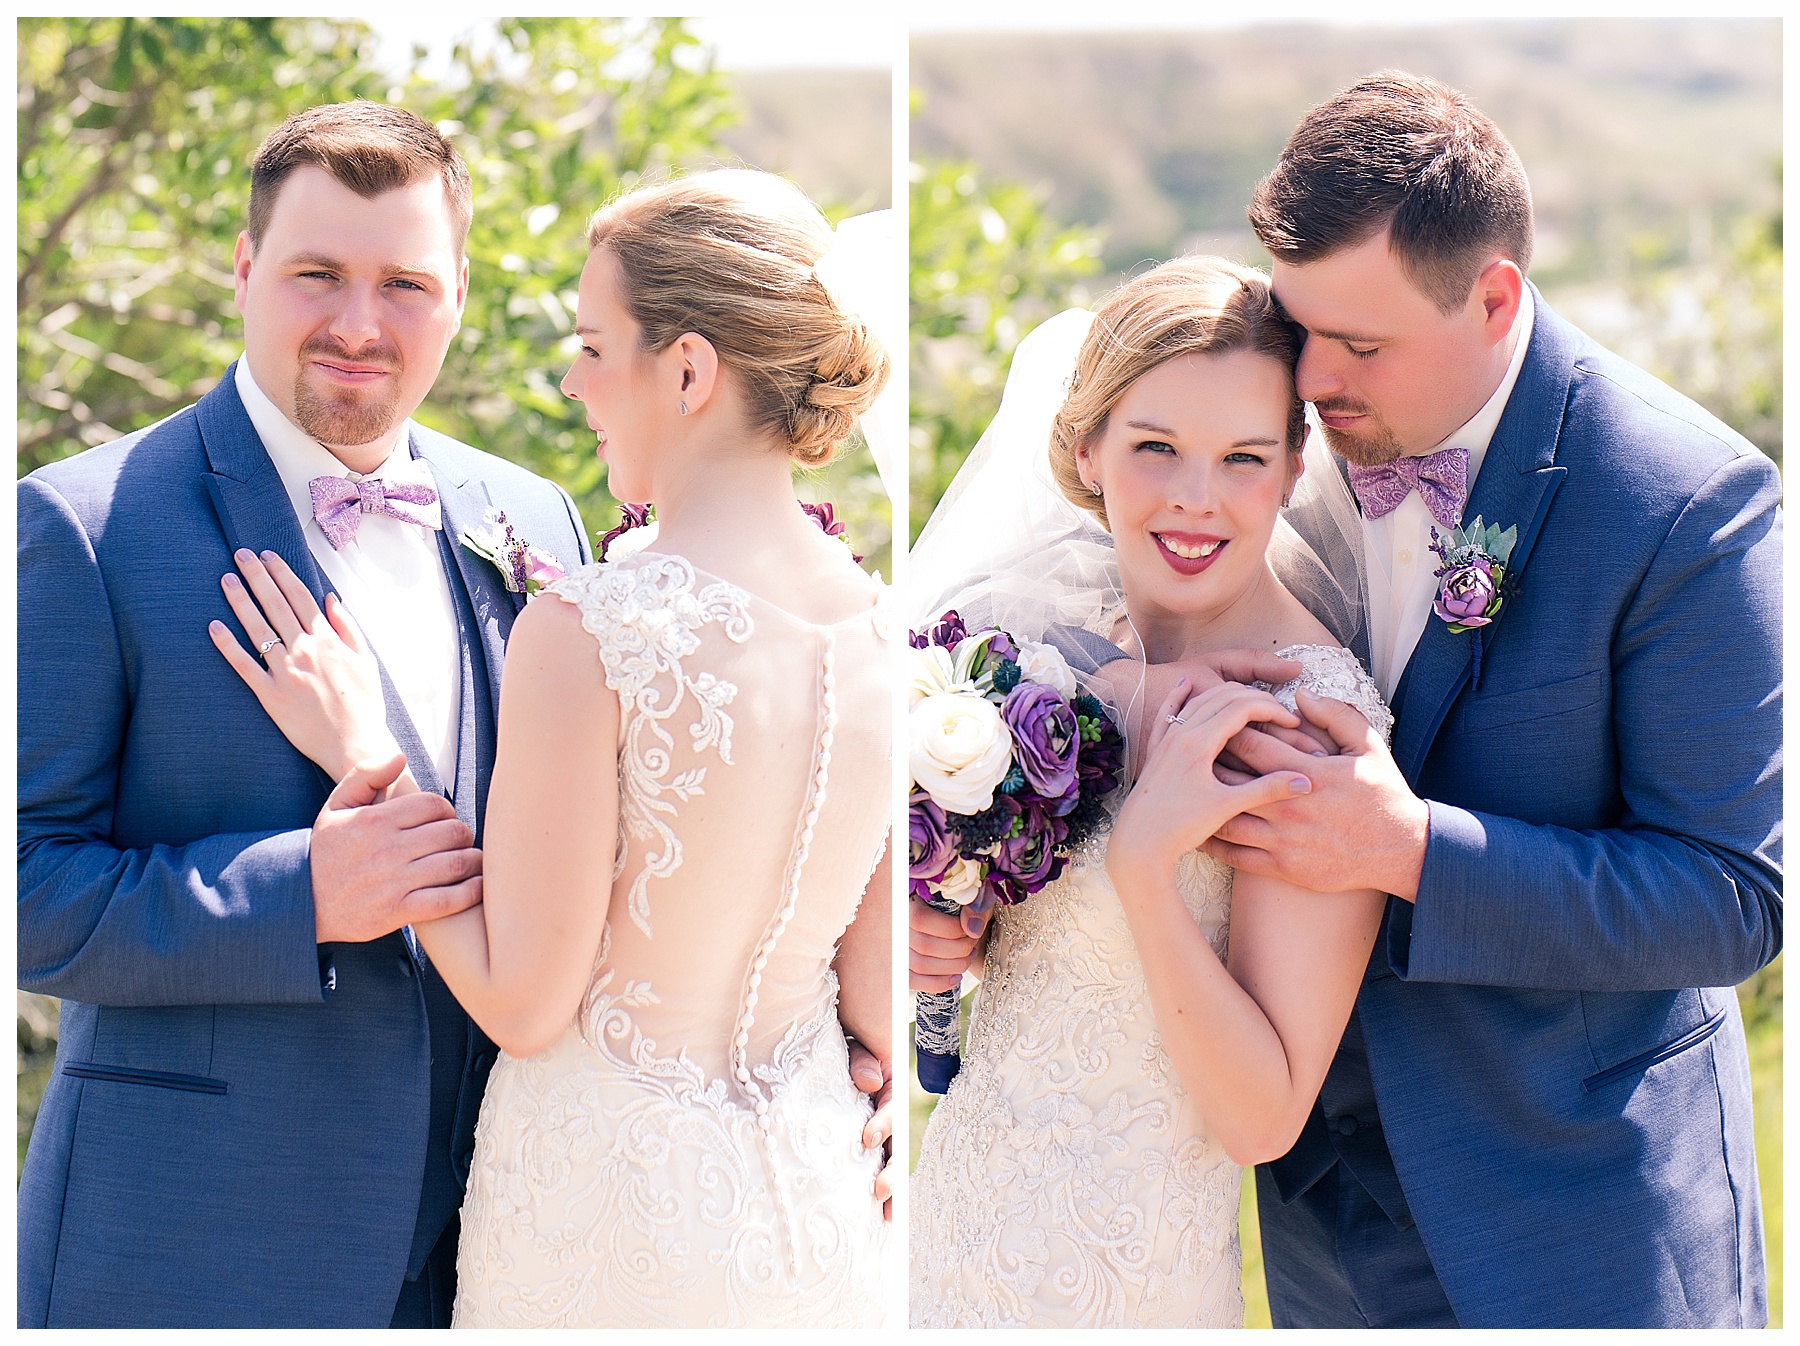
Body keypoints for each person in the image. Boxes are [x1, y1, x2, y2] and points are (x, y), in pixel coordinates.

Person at [919, 71, 1780, 1329]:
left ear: (1492, 298)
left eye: (1358, 344)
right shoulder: (1287, 447)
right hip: (1317, 1214)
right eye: (1303, 328)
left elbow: (1732, 897)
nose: (1311, 379)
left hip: (1565, 1205)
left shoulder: (1682, 506)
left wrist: (1412, 848)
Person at [208, 169, 897, 1327]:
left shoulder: (596, 627)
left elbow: (525, 1005)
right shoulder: (883, 624)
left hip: (605, 1216)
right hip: (815, 1207)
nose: (573, 382)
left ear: (687, 370)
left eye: (592, 345)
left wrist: (365, 747)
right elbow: (868, 1002)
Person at [908, 257, 1394, 1328]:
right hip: (954, 1233)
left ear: (1293, 464)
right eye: (1156, 447)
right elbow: (1028, 932)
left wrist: (1144, 873)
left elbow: (1262, 1112)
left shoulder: (1306, 723)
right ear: (1087, 447)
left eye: (1243, 458)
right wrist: (951, 917)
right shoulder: (1050, 652)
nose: (1196, 498)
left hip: (1125, 1275)